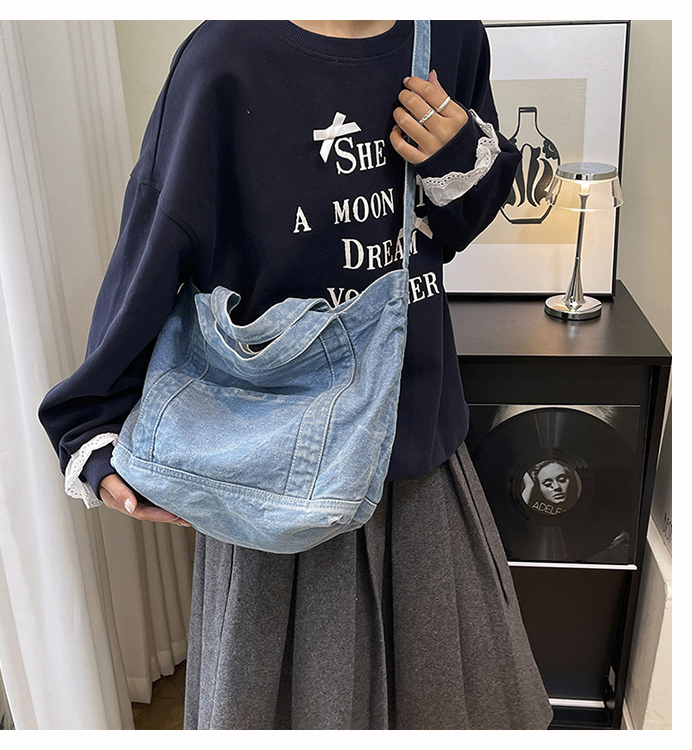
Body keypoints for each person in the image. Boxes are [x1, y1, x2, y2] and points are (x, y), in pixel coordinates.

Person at [39, 20, 553, 730]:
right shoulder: (224, 60)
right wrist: (90, 422)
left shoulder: (451, 37)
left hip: (417, 465)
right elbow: (159, 235)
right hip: (271, 479)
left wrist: (462, 154)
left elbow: (453, 228)